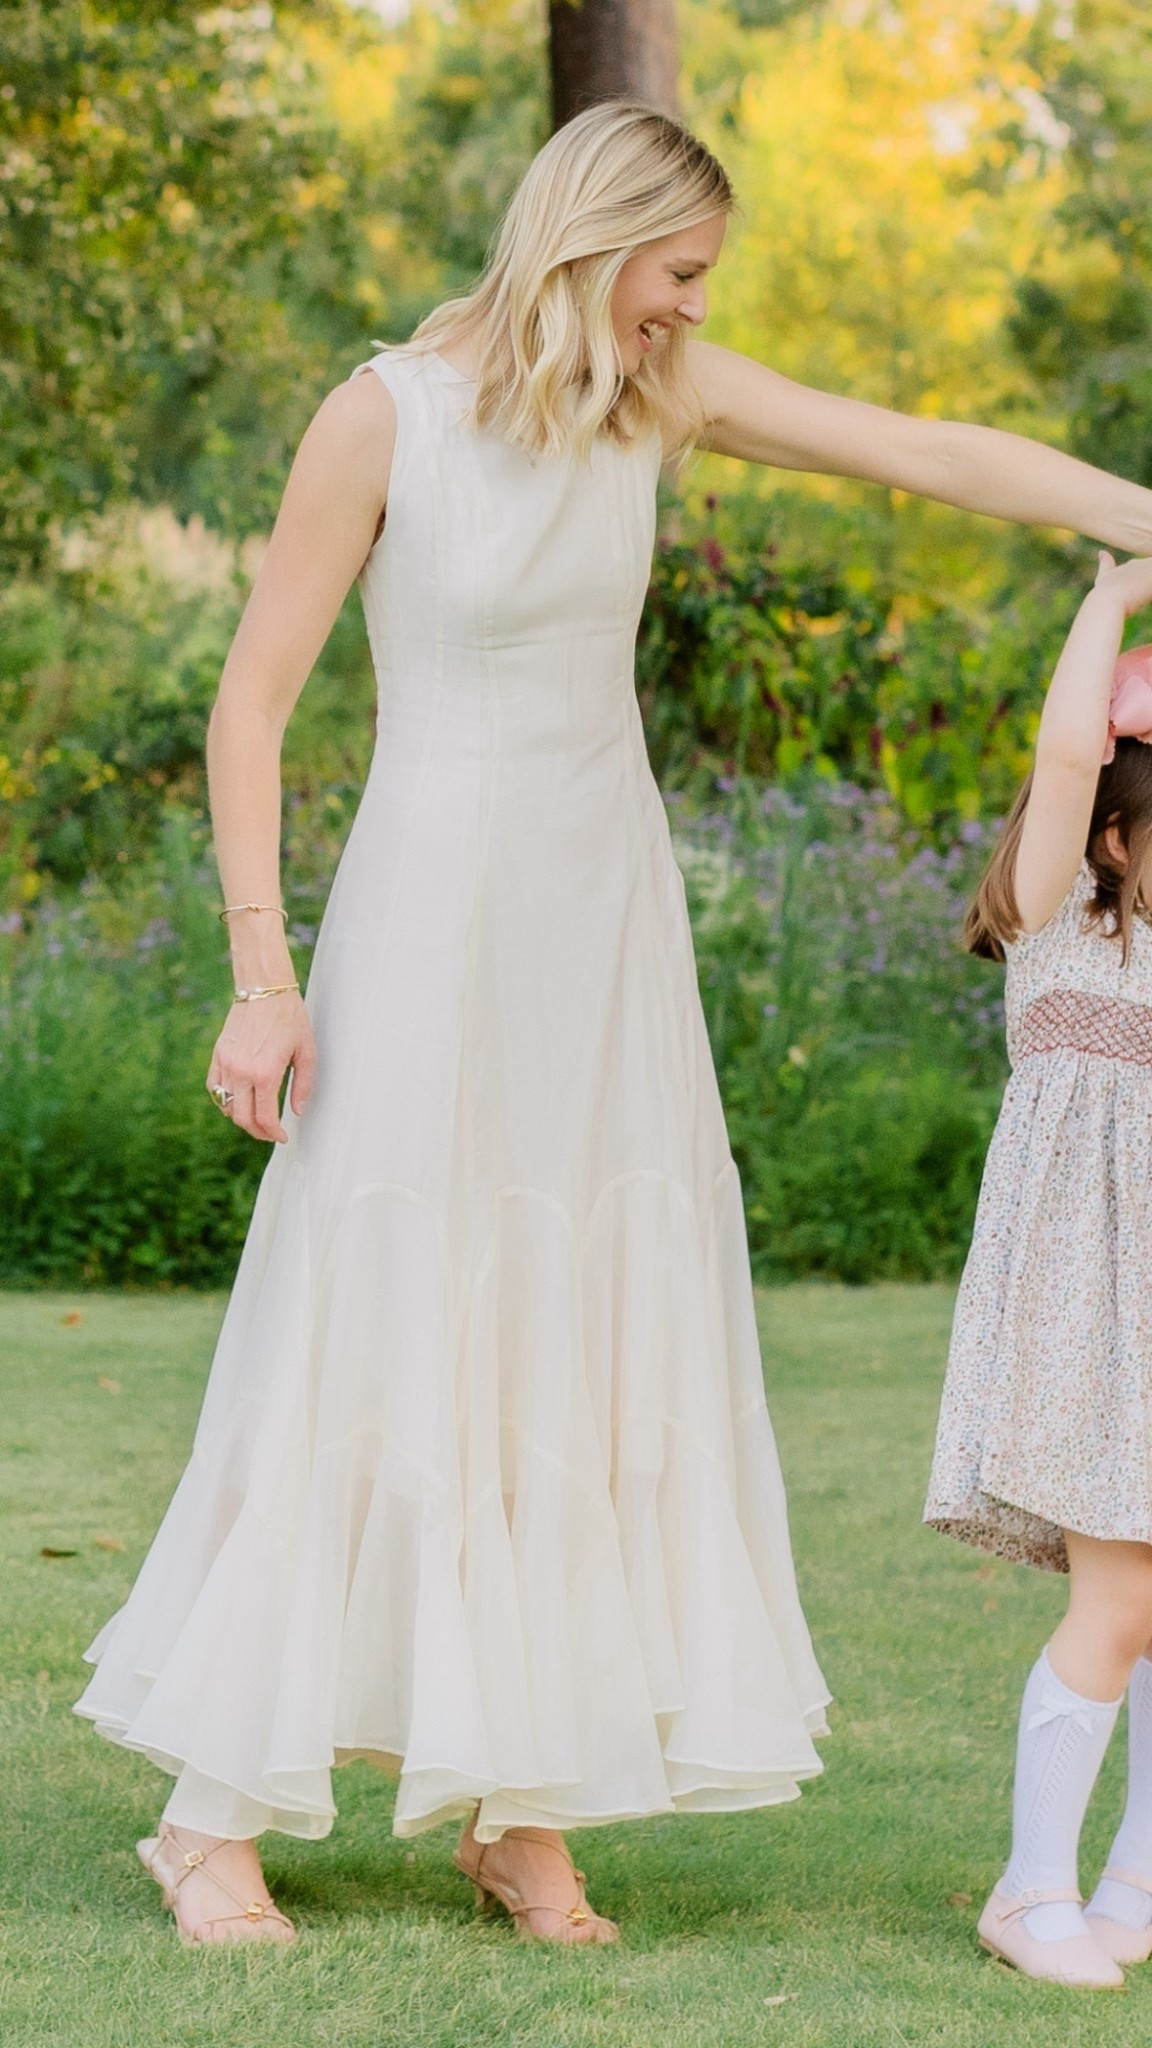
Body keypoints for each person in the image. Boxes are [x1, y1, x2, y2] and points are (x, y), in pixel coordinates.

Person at [76, 100, 1152, 1949]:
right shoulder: (385, 413)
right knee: (372, 1316)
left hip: (605, 931)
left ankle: (524, 1801)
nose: (688, 308)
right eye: (677, 274)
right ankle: (216, 1812)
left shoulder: (656, 398)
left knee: (577, 1340)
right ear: (592, 243)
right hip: (427, 922)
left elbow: (917, 448)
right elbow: (252, 703)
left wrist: (1137, 516)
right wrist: (266, 976)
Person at [925, 551, 1152, 1988]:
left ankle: (1133, 1889)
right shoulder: (1066, 923)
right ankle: (1028, 1892)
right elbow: (1070, 744)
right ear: (1119, 843)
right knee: (1119, 1599)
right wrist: (1115, 588)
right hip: (1084, 1299)